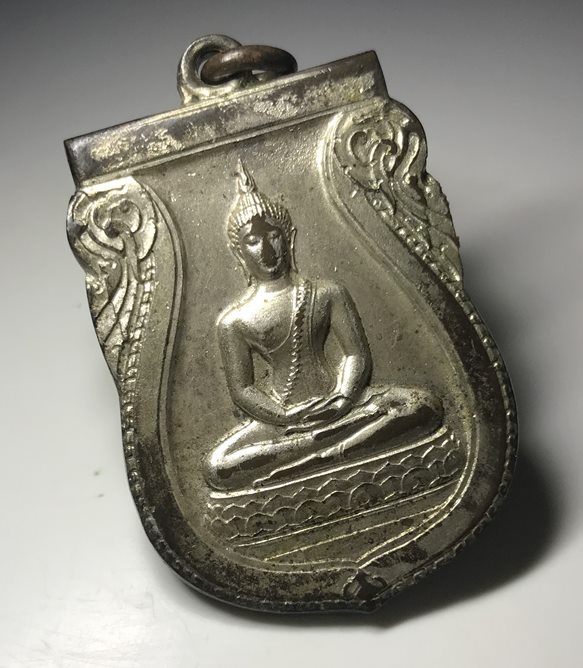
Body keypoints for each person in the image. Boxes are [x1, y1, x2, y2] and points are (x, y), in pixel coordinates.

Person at [205, 163, 443, 492]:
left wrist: (344, 397)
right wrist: (285, 417)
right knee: (218, 467)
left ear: (289, 237)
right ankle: (331, 447)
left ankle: (316, 459)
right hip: (284, 420)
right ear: (239, 251)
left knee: (421, 405)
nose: (267, 248)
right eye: (253, 240)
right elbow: (244, 390)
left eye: (273, 235)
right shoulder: (234, 321)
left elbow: (355, 354)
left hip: (341, 403)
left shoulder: (327, 293)